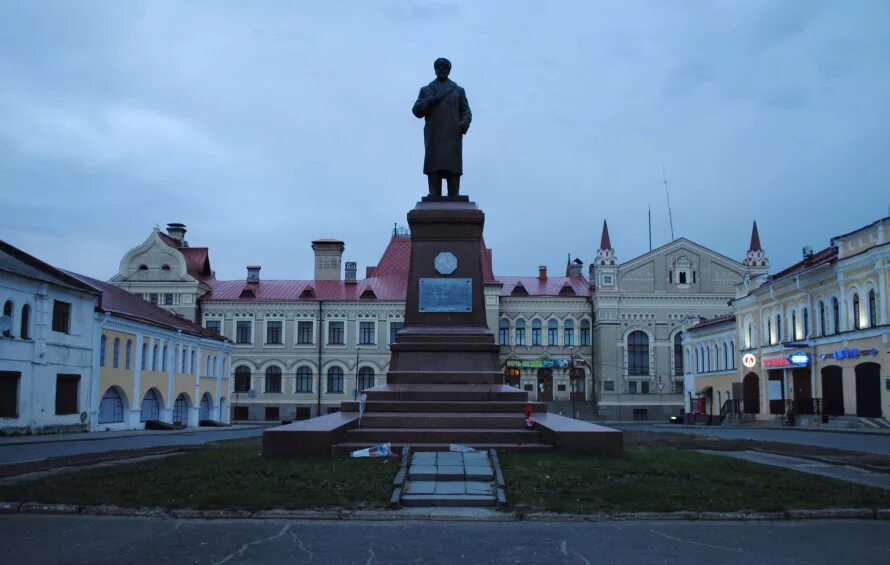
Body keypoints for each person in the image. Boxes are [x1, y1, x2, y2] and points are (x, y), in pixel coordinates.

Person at [412, 58, 472, 198]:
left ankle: (454, 196)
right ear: (435, 69)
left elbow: (466, 111)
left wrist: (464, 123)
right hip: (434, 134)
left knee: (453, 167)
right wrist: (430, 100)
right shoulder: (426, 90)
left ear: (449, 70)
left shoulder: (458, 90)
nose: (442, 69)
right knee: (434, 165)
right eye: (439, 67)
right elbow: (416, 111)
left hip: (453, 134)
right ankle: (434, 194)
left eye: (445, 67)